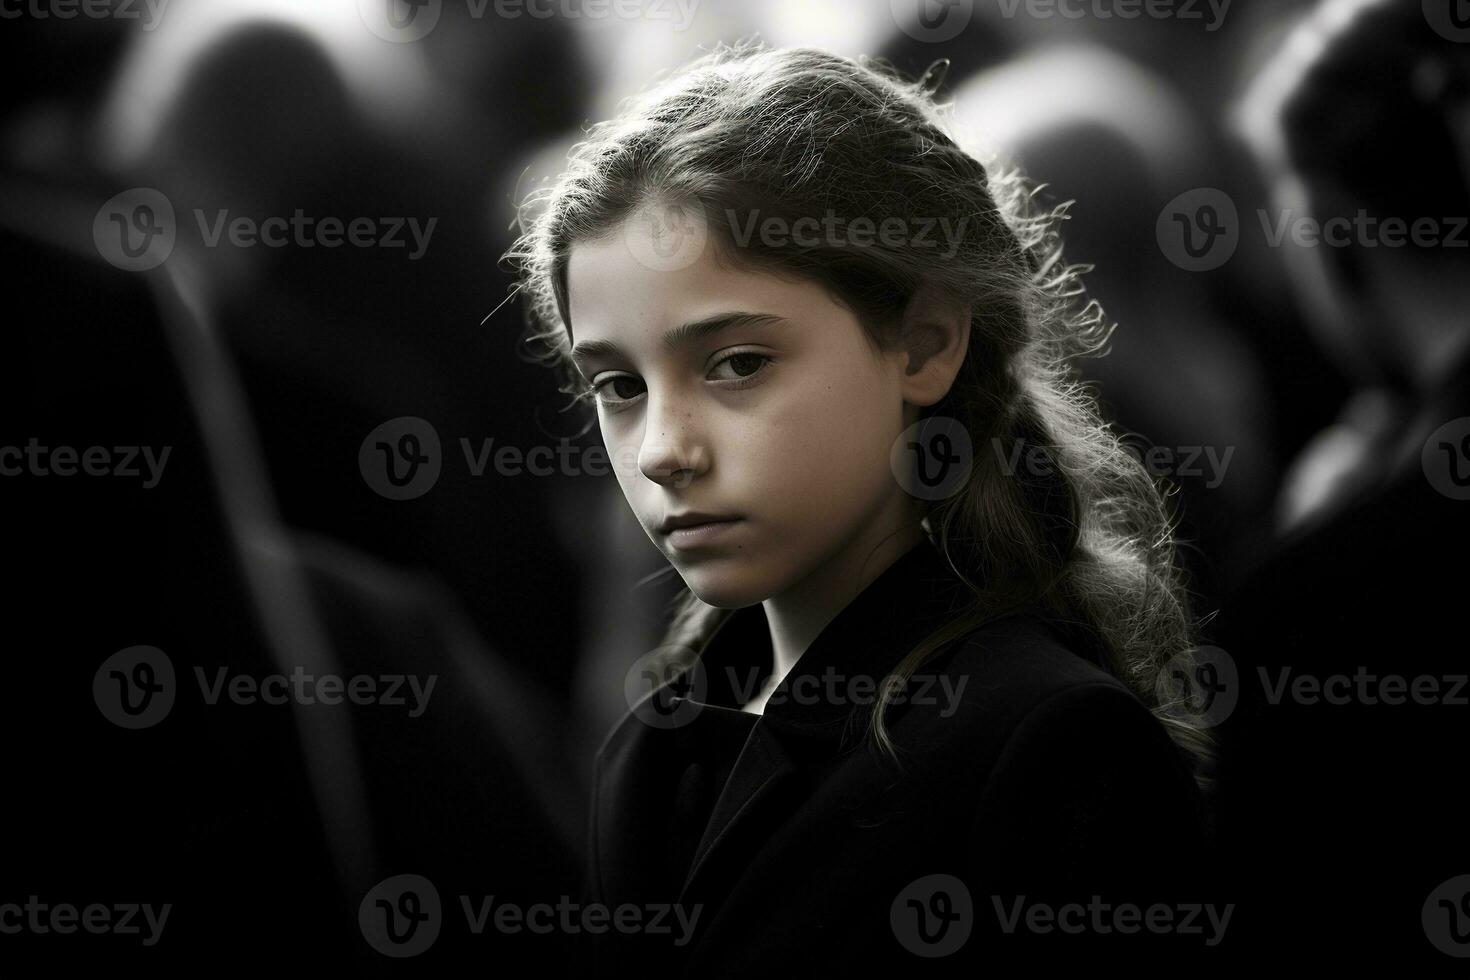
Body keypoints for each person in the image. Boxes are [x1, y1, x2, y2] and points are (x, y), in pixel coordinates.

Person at [506, 42, 1219, 972]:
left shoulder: (1050, 747)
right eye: (617, 385)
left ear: (924, 344)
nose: (664, 450)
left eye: (739, 364)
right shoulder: (653, 750)